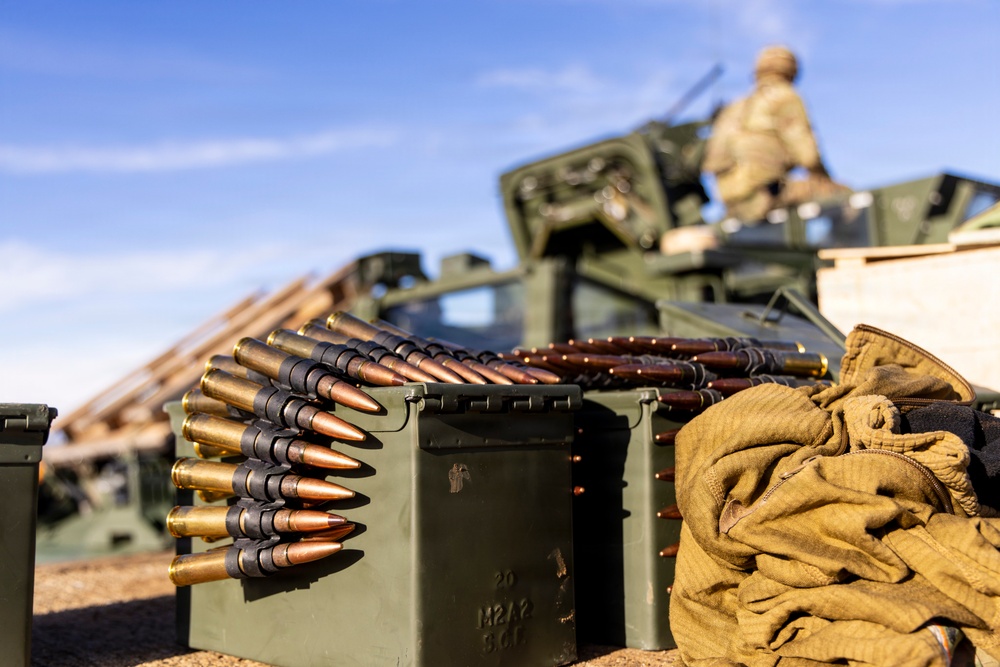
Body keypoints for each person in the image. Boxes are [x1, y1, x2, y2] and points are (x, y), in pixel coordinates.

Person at [702, 45, 848, 222]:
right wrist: (825, 182)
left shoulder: (733, 108)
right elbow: (809, 157)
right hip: (765, 197)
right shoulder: (785, 96)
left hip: (731, 204)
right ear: (791, 70)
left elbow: (712, 163)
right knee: (848, 198)